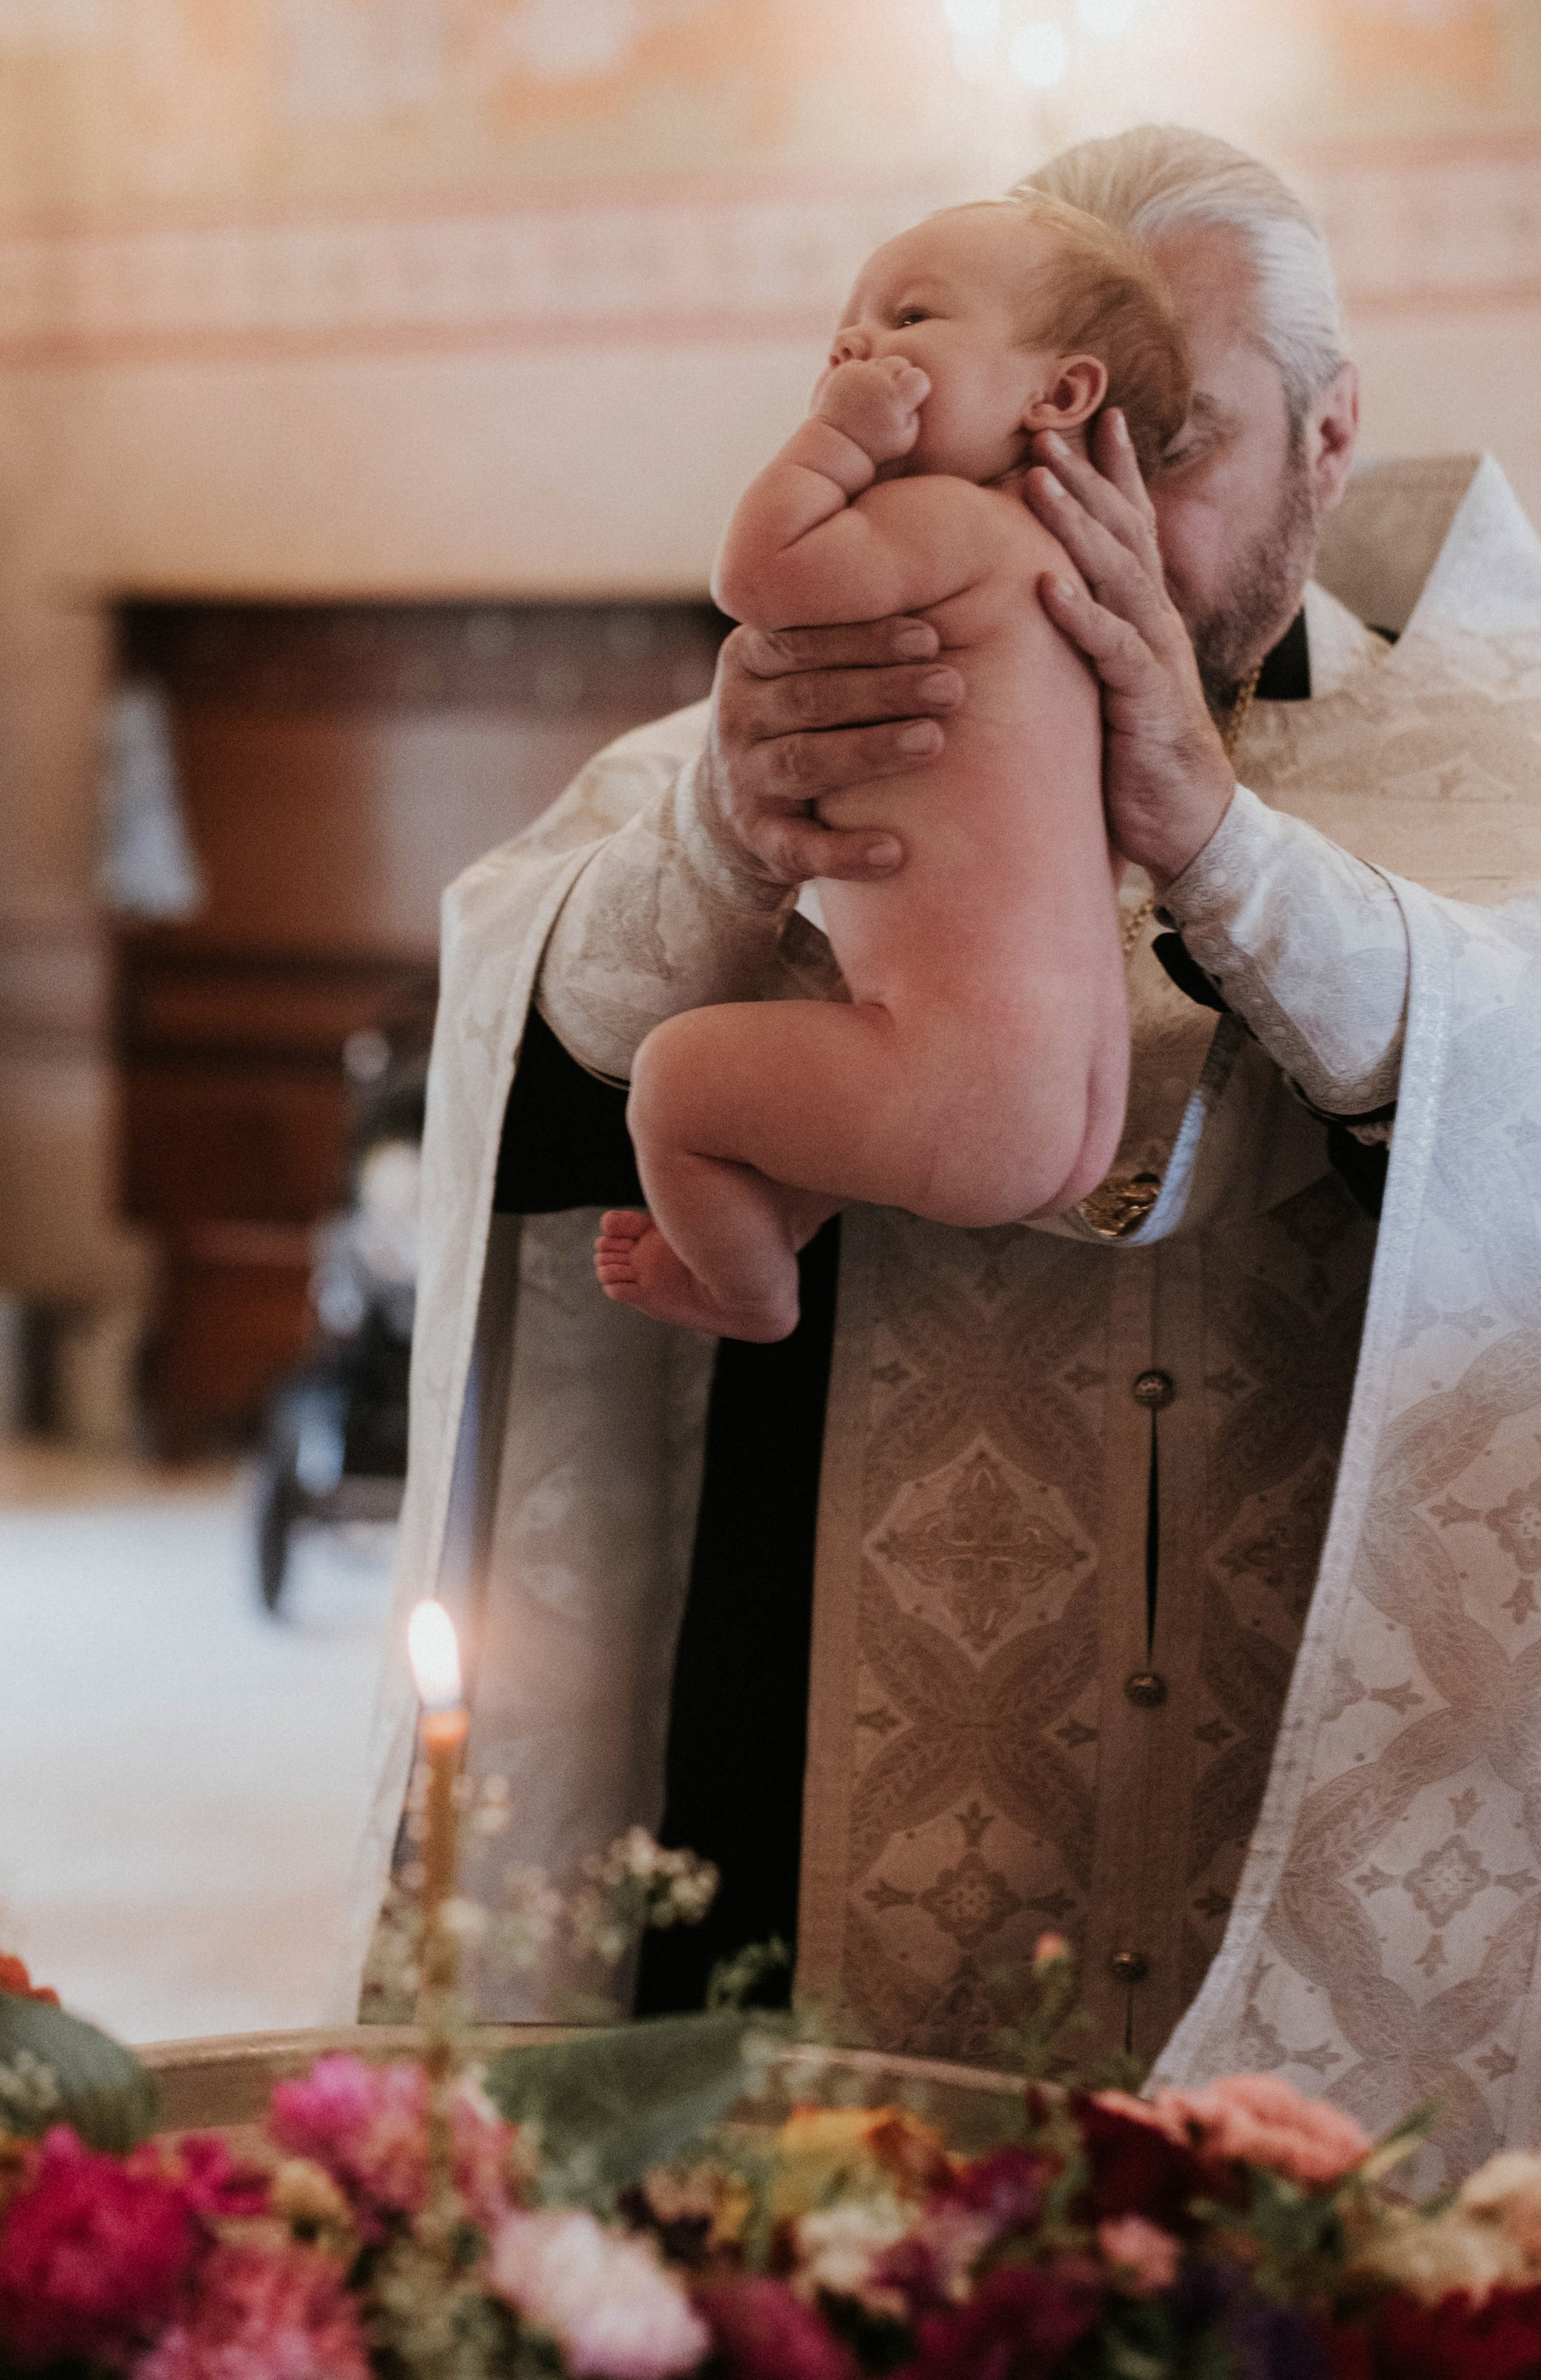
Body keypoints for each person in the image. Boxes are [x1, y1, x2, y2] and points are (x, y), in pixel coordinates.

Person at [345, 125, 1541, 2183]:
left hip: (1296, 1748)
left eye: (1170, 451)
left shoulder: (1490, 769)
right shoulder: (828, 687)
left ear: (1329, 443)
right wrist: (729, 830)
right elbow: (530, 1058)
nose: (1087, 531)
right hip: (837, 1780)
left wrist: (1220, 848)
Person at [597, 198, 1189, 1341]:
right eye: (848, 323)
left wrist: (833, 440)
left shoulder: (944, 523)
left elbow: (758, 572)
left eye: (910, 315)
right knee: (819, 1084)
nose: (854, 346)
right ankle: (787, 1209)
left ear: (1059, 395)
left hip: (952, 1075)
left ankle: (748, 1293)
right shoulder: (1078, 583)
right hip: (1072, 1098)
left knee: (673, 1083)